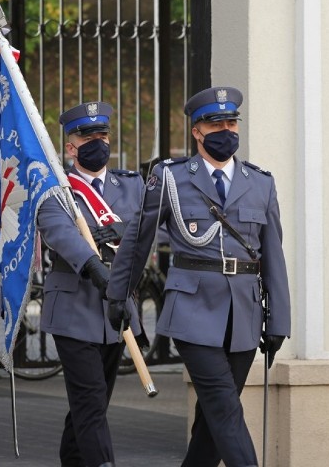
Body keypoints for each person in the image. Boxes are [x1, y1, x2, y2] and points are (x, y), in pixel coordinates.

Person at [106, 86, 291, 467]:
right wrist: (118, 295)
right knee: (225, 409)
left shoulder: (261, 182)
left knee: (212, 421)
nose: (226, 130)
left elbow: (273, 257)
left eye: (231, 122)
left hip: (243, 315)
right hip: (192, 312)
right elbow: (137, 244)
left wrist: (279, 320)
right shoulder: (171, 178)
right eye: (216, 123)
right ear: (197, 131)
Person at [37, 101, 143, 467]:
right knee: (91, 400)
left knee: (92, 404)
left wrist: (115, 234)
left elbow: (144, 233)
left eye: (102, 134)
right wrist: (94, 262)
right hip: (74, 308)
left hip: (116, 311)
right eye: (87, 136)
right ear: (71, 146)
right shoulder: (57, 189)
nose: (97, 141)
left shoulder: (131, 186)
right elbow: (61, 235)